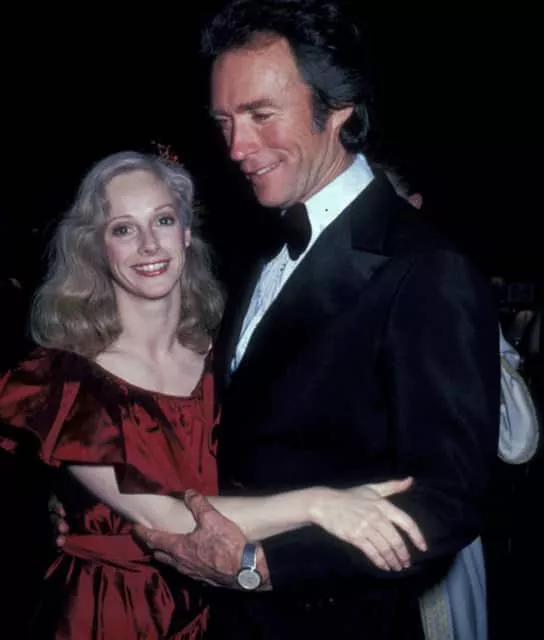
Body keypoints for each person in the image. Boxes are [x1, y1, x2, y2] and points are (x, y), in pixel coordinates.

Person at [124, 1, 501, 639]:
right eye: (224, 121)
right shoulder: (257, 252)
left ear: (340, 106)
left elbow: (449, 499)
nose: (237, 148)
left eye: (261, 115)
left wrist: (259, 567)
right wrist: (100, 511)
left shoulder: (426, 268)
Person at [1, 151, 425, 639]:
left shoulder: (230, 354)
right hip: (115, 614)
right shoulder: (67, 381)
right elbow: (168, 518)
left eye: (163, 220)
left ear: (185, 232)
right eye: (123, 229)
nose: (148, 244)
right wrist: (320, 504)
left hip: (233, 608)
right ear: (97, 248)